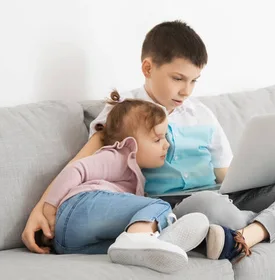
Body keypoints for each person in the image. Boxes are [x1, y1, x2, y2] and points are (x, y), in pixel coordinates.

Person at [22, 20, 275, 263]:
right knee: (208, 206)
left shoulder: (203, 114)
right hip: (181, 205)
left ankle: (252, 231)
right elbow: (84, 162)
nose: (187, 91)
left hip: (222, 194)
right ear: (148, 67)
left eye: (194, 81)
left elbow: (227, 176)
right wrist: (42, 207)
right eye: (178, 78)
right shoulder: (126, 110)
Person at [42, 90, 209, 273]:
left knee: (119, 245)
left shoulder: (134, 176)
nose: (166, 145)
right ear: (131, 143)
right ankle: (139, 238)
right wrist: (50, 208)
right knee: (159, 207)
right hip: (81, 205)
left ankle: (155, 244)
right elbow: (76, 170)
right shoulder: (116, 155)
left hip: (68, 243)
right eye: (157, 139)